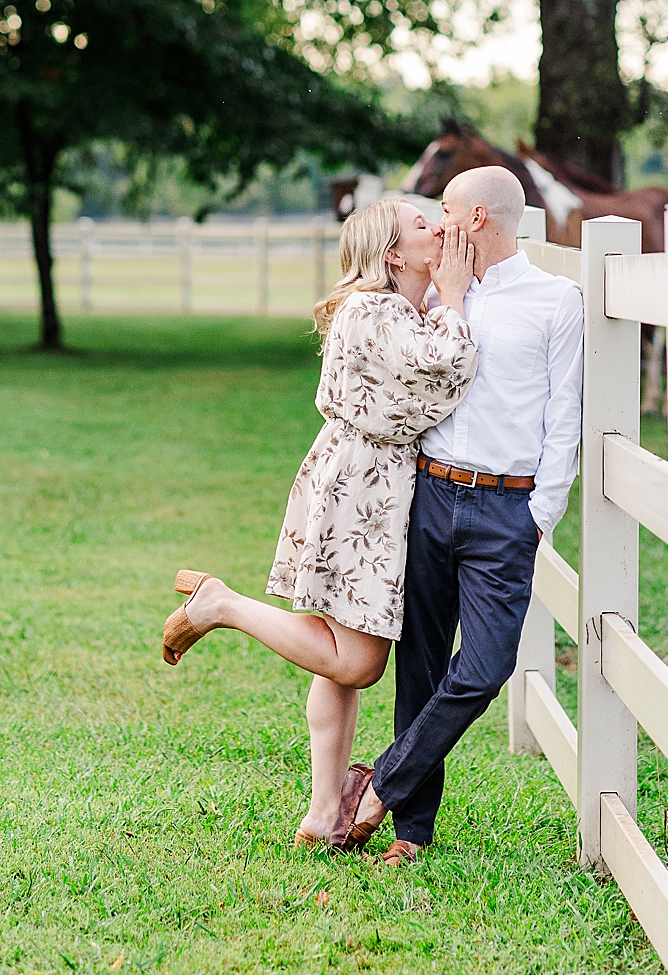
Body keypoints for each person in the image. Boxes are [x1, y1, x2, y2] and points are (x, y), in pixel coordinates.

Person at [160, 199, 478, 846]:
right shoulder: (374, 310)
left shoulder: (393, 310)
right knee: (356, 663)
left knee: (334, 660)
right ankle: (221, 605)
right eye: (423, 225)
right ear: (393, 253)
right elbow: (447, 376)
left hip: (364, 488)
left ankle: (323, 810)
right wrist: (456, 299)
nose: (439, 228)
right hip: (362, 494)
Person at [330, 166, 584, 865]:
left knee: (484, 666)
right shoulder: (435, 296)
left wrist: (542, 514)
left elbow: (566, 414)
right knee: (420, 667)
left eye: (444, 209)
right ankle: (411, 831)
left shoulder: (555, 300)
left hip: (508, 508)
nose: (437, 223)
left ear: (476, 220)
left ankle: (379, 785)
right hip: (431, 495)